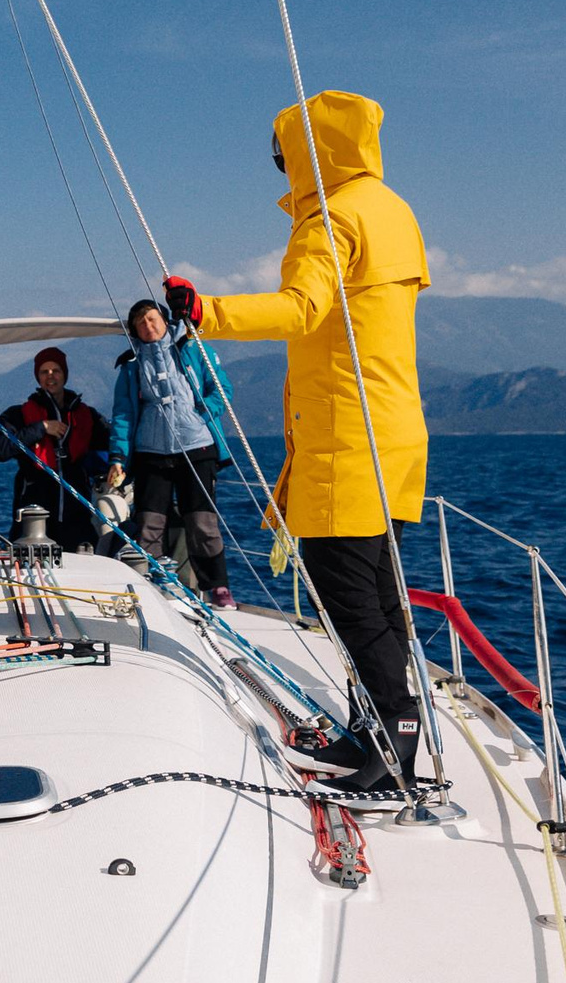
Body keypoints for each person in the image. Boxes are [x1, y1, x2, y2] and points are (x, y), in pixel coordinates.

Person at [165, 91, 431, 796]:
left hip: (347, 437)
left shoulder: (331, 218)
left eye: (283, 156)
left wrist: (204, 311)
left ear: (314, 154)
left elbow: (302, 308)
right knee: (378, 593)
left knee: (348, 596)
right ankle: (380, 730)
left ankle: (391, 743)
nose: (280, 170)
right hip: (397, 437)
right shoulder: (394, 212)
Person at [107, 299, 234, 606]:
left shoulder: (193, 349)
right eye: (141, 323)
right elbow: (123, 414)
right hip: (151, 451)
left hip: (197, 447)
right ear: (135, 330)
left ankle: (217, 587)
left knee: (202, 522)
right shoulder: (131, 366)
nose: (148, 327)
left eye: (152, 319)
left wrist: (200, 415)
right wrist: (118, 458)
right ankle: (149, 583)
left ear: (164, 320)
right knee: (149, 522)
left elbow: (222, 390)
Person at [0, 347, 110, 551]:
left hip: (76, 514)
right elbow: (1, 450)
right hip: (33, 512)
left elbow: (113, 439)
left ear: (64, 374)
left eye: (56, 370)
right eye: (44, 372)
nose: (50, 376)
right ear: (37, 377)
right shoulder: (17, 415)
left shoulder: (86, 416)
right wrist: (41, 428)